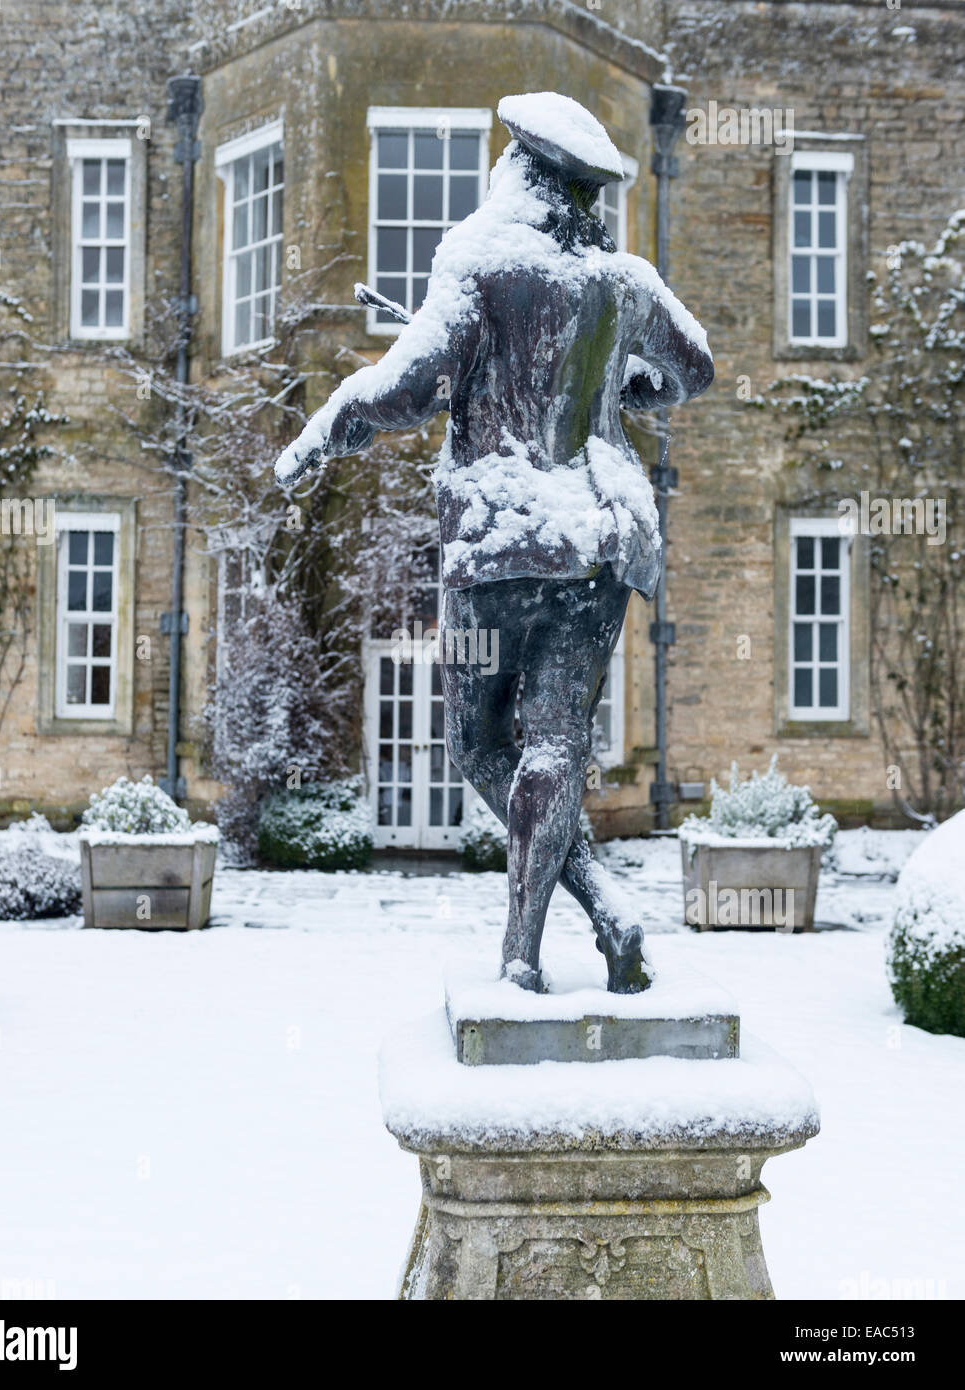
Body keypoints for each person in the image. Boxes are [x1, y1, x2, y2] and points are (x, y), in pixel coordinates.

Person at [276, 92, 713, 992]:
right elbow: (693, 368)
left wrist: (327, 424)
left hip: (502, 544)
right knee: (553, 746)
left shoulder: (480, 260)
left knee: (479, 746)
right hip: (598, 544)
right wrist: (624, 388)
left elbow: (405, 390)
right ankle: (560, 931)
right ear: (580, 195)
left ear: (518, 172)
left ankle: (548, 935)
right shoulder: (626, 281)